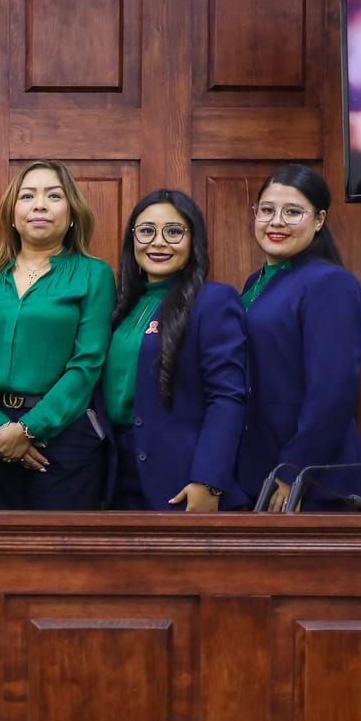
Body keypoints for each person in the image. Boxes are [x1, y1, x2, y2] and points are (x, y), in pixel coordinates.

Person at [0, 159, 113, 509]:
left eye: (54, 196)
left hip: (64, 437)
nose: (40, 205)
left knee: (61, 543)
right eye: (28, 196)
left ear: (72, 213)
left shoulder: (94, 275)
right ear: (12, 214)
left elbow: (87, 365)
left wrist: (30, 428)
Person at [101, 190, 249, 511]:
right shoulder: (121, 305)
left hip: (182, 478)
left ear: (193, 240)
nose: (158, 242)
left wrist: (209, 479)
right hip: (115, 474)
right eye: (146, 231)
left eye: (174, 231)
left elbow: (227, 397)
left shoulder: (213, 301)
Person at [236, 163, 361, 511]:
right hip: (257, 466)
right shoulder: (255, 283)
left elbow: (333, 389)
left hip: (307, 476)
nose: (276, 222)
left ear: (319, 220)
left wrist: (294, 469)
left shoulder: (330, 284)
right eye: (267, 210)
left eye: (292, 212)